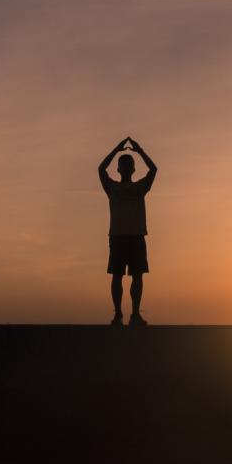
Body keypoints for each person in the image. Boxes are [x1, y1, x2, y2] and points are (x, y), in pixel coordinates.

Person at [98, 136, 158, 326]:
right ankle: (118, 313)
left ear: (132, 169)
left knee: (137, 276)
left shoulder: (140, 187)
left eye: (128, 163)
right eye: (122, 164)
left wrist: (139, 151)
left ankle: (135, 314)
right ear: (118, 169)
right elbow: (101, 169)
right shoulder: (112, 187)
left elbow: (153, 169)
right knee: (117, 275)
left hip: (137, 235)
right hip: (117, 236)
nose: (124, 167)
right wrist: (117, 149)